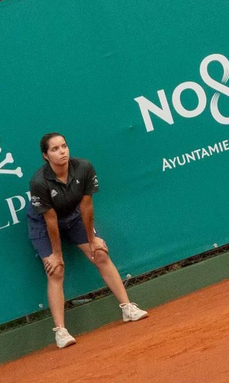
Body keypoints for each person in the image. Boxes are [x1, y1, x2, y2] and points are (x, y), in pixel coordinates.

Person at [28, 132, 149, 349]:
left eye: (64, 146)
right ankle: (61, 331)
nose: (62, 151)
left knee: (100, 253)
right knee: (56, 270)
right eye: (54, 149)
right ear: (45, 156)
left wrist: (92, 239)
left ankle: (127, 308)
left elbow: (86, 205)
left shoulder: (83, 168)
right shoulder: (39, 182)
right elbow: (51, 220)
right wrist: (57, 254)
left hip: (74, 217)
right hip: (44, 225)